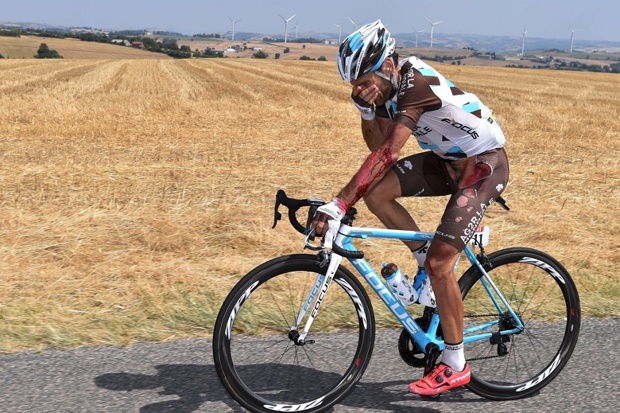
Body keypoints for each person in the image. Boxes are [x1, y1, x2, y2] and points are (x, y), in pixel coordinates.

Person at [310, 20, 509, 397]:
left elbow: (390, 152)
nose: (358, 88)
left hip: (482, 165)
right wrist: (367, 110)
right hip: (444, 159)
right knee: (377, 194)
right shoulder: (382, 92)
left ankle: (455, 364)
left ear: (387, 65)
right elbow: (376, 146)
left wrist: (338, 203)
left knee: (440, 264)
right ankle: (423, 263)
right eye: (353, 84)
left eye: (363, 79)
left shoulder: (413, 81)